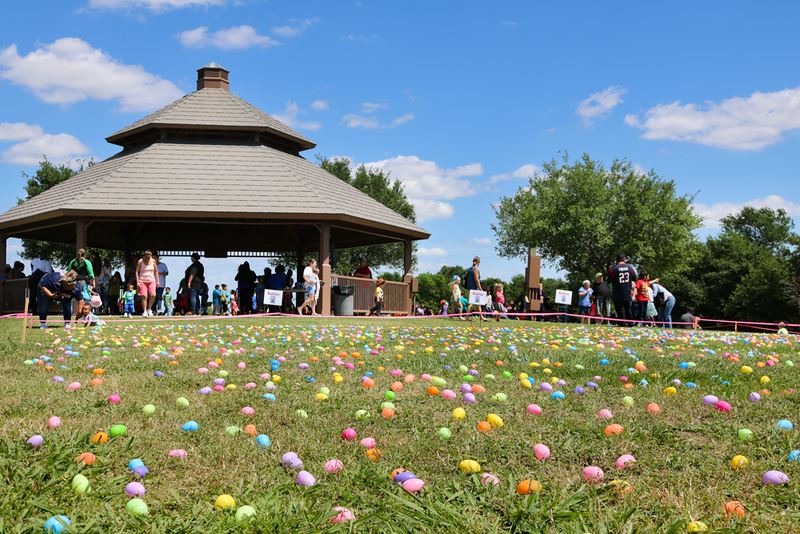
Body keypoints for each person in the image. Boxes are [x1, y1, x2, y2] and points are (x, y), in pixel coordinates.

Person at [67, 248, 95, 323]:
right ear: (85, 254)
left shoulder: (73, 262)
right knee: (86, 301)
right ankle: (84, 318)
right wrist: (93, 282)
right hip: (83, 283)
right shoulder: (87, 262)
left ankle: (77, 318)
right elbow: (90, 273)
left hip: (73, 283)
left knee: (76, 301)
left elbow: (69, 273)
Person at [609, 254, 637, 325]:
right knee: (628, 309)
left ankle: (622, 323)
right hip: (627, 292)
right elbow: (634, 278)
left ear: (617, 260)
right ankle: (630, 324)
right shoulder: (630, 268)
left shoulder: (613, 269)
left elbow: (609, 280)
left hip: (617, 293)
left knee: (620, 310)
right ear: (624, 259)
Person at [135, 250, 158, 317]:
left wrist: (157, 281)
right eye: (146, 257)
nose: (148, 259)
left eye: (149, 257)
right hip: (142, 280)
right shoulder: (140, 261)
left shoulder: (153, 261)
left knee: (153, 294)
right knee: (144, 296)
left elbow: (156, 271)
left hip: (151, 280)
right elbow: (136, 272)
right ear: (144, 256)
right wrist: (137, 282)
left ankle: (149, 308)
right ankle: (144, 311)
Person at [464, 256, 488, 321]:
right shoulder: (476, 269)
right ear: (478, 262)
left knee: (477, 303)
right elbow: (477, 280)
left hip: (469, 288)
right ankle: (467, 317)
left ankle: (481, 317)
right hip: (474, 289)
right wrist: (481, 289)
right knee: (472, 303)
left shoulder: (469, 269)